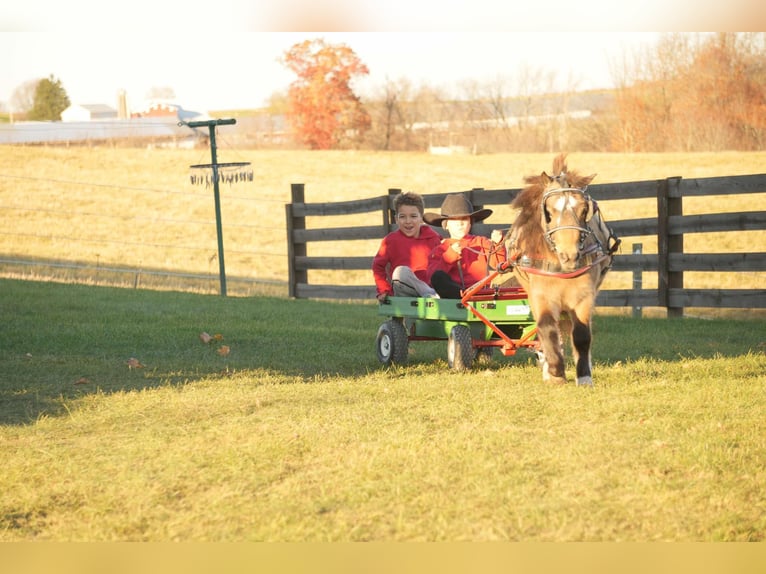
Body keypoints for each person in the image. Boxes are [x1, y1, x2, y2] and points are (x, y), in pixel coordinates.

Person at [425, 193, 507, 299]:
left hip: (481, 293)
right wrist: (448, 257)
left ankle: (470, 297)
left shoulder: (481, 242)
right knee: (438, 276)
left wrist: (498, 244)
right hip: (454, 297)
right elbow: (431, 278)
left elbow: (500, 264)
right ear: (446, 224)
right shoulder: (440, 250)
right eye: (454, 220)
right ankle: (463, 297)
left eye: (464, 219)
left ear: (470, 223)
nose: (460, 223)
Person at [372, 191, 442, 302]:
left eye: (413, 216)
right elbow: (378, 267)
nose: (408, 221)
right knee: (401, 272)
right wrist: (384, 289)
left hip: (430, 288)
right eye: (402, 217)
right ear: (396, 219)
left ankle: (432, 296)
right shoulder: (390, 241)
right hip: (404, 292)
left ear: (421, 218)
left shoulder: (433, 238)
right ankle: (432, 296)